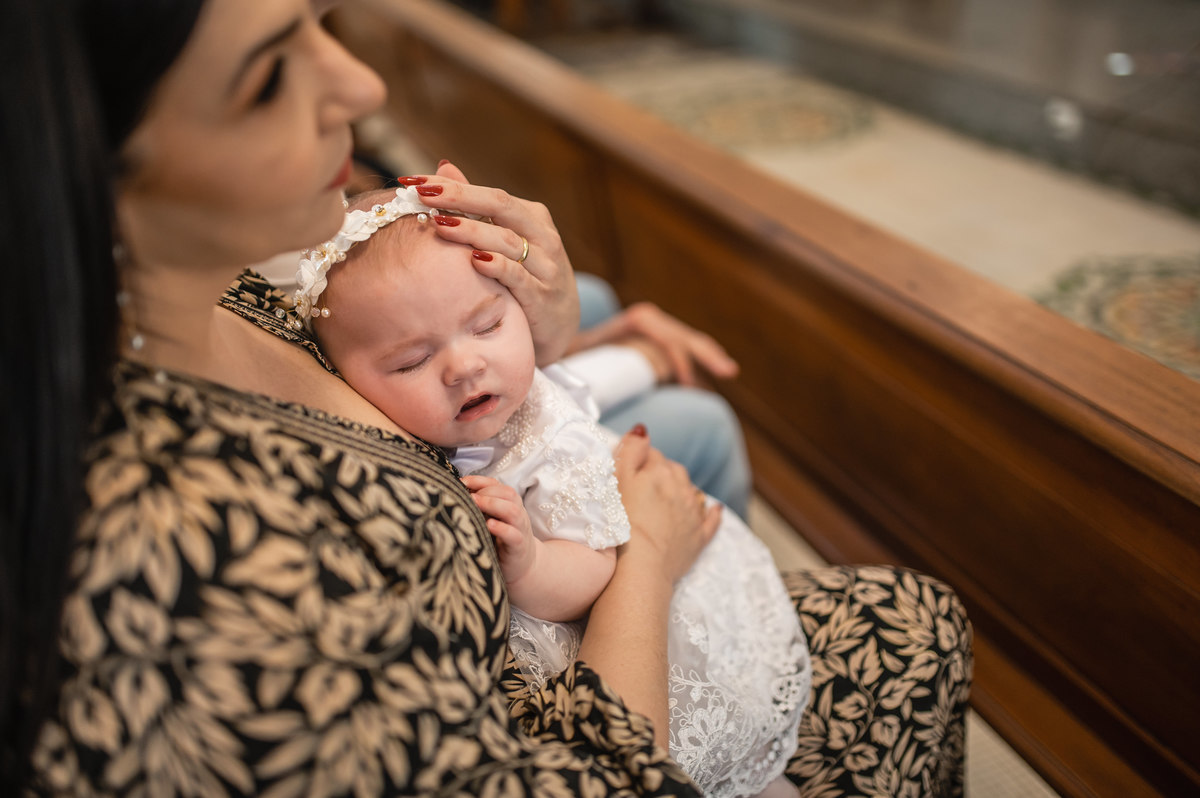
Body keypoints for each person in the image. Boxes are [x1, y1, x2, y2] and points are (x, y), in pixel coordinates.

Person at [0, 0, 973, 794]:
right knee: (912, 619)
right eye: (266, 77)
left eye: (314, 23)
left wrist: (552, 331)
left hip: (554, 593)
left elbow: (436, 376)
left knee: (899, 598)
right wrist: (646, 556)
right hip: (570, 695)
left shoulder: (227, 296)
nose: (361, 84)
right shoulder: (192, 572)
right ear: (83, 158)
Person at [304, 187, 810, 797]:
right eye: (411, 361)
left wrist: (531, 564)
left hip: (626, 625)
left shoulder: (552, 441)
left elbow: (599, 567)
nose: (464, 366)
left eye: (488, 325)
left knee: (750, 771)